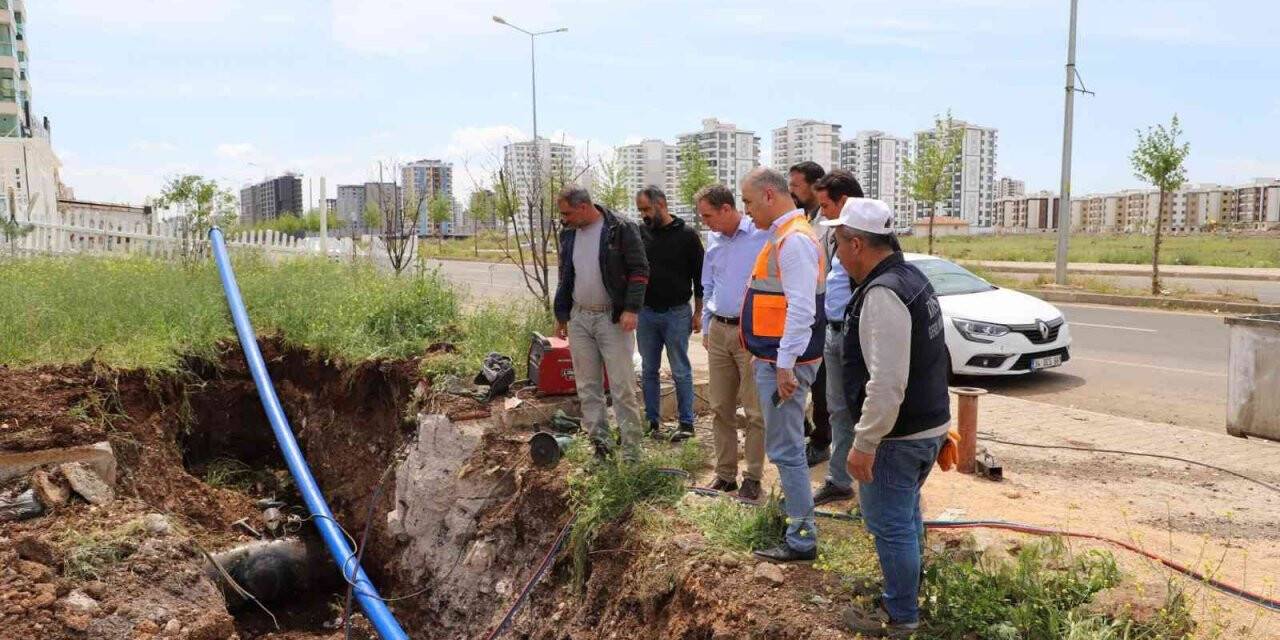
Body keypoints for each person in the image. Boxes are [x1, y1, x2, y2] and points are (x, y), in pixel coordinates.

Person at [819, 199, 951, 637]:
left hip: (897, 436)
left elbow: (887, 382)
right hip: (925, 424)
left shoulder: (882, 294)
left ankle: (900, 617)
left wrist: (864, 442)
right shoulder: (912, 278)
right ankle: (906, 595)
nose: (835, 251)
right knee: (907, 515)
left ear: (857, 244)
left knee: (890, 525)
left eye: (837, 242)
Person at [739, 167, 827, 562]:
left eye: (749, 202)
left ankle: (802, 537)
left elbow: (802, 310)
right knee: (785, 444)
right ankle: (796, 518)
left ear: (770, 196)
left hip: (783, 361)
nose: (747, 211)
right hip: (776, 358)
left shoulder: (794, 242)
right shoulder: (785, 235)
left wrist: (785, 365)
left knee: (787, 447)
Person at [553, 186, 649, 462]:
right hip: (579, 317)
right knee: (587, 387)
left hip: (613, 318)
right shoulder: (569, 233)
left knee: (622, 388)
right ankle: (601, 448)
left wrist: (631, 309)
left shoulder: (620, 228)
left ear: (584, 207)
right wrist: (561, 315)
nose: (564, 219)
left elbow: (640, 270)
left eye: (567, 213)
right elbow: (565, 275)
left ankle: (632, 453)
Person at [695, 184, 769, 501]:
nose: (705, 222)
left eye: (708, 215)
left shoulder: (761, 233)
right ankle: (725, 475)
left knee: (754, 412)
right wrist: (708, 326)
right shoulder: (713, 239)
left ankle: (752, 477)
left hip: (751, 333)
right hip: (721, 331)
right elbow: (708, 283)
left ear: (727, 209)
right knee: (720, 407)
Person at [808, 171, 867, 507]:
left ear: (844, 200)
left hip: (857, 336)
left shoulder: (871, 235)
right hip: (833, 332)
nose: (823, 212)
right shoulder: (833, 235)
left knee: (865, 411)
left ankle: (876, 488)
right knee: (838, 410)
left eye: (826, 205)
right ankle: (839, 480)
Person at [635, 186, 704, 442]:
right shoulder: (640, 233)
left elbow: (700, 278)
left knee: (681, 371)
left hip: (677, 314)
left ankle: (686, 424)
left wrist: (698, 313)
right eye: (640, 210)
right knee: (648, 369)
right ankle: (652, 421)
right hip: (646, 314)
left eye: (646, 209)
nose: (643, 215)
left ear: (661, 204)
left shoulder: (687, 235)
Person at [788, 161, 833, 468]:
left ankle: (821, 442)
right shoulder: (801, 220)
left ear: (816, 186)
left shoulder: (828, 225)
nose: (791, 191)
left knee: (823, 384)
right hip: (802, 311)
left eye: (796, 186)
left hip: (825, 313)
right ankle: (805, 430)